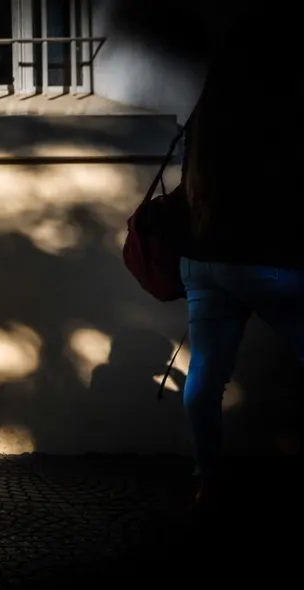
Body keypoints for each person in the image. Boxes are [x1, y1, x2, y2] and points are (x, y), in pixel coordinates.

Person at [179, 16, 302, 511]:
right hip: (265, 257)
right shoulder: (277, 110)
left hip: (203, 259)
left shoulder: (204, 115)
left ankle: (208, 480)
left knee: (205, 374)